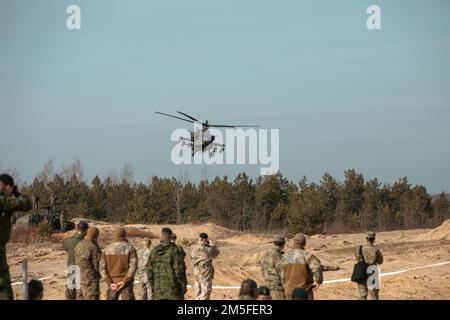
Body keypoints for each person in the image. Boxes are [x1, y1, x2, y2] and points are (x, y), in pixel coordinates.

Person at [0, 173, 32, 300]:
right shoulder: (3, 201)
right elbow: (26, 203)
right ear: (8, 187)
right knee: (5, 293)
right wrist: (17, 193)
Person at [280, 233, 323, 300]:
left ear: (294, 243)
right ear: (304, 243)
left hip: (289, 292)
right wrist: (318, 281)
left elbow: (281, 275)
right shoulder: (308, 256)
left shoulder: (284, 257)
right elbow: (317, 267)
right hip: (304, 292)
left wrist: (284, 288)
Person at [148, 228, 186, 300]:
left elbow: (149, 272)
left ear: (161, 236)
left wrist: (153, 286)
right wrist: (182, 285)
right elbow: (179, 270)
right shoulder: (175, 250)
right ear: (171, 236)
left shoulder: (154, 251)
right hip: (173, 291)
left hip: (158, 291)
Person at [100, 226, 138, 300]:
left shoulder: (106, 249)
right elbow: (133, 266)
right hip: (126, 284)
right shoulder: (130, 248)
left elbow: (102, 268)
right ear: (124, 234)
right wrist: (124, 281)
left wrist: (109, 282)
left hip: (112, 283)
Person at [62, 220, 88, 300]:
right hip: (83, 269)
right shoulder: (88, 242)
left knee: (71, 289)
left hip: (72, 267)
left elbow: (65, 247)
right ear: (86, 230)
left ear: (77, 228)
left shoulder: (68, 241)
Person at [190, 232, 220, 300]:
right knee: (205, 293)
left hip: (196, 273)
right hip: (205, 274)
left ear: (199, 239)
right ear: (206, 240)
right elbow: (217, 252)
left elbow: (191, 256)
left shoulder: (193, 248)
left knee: (198, 293)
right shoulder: (208, 250)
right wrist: (212, 245)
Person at [74, 226, 102, 300]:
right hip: (90, 278)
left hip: (79, 276)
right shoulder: (93, 247)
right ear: (96, 235)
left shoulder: (79, 245)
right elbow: (97, 265)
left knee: (80, 296)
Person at [355, 231, 384, 300]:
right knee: (374, 295)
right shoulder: (376, 250)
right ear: (374, 239)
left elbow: (357, 258)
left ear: (366, 239)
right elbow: (380, 261)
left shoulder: (360, 249)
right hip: (372, 272)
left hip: (361, 272)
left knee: (362, 295)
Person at [260, 234, 285, 300]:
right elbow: (282, 272)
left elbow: (262, 269)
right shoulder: (277, 255)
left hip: (267, 287)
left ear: (274, 242)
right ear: (283, 244)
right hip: (277, 289)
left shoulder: (266, 254)